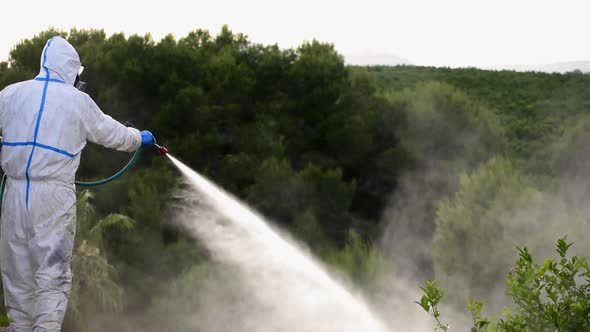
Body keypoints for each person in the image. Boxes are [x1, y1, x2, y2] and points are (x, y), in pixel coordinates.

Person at [0, 36, 156, 331]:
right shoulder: (78, 101)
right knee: (51, 272)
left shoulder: (10, 94)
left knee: (16, 271)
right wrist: (139, 138)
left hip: (15, 192)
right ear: (71, 69)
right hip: (53, 195)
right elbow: (114, 134)